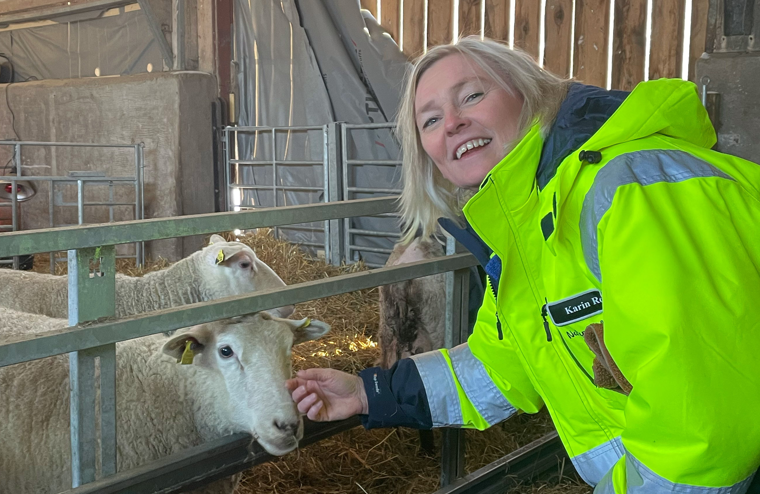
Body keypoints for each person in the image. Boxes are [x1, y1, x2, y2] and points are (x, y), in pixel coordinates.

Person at [286, 36, 760, 492]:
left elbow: (703, 434)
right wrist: (368, 394)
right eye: (429, 121)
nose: (451, 124)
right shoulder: (524, 235)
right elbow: (500, 367)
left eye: (472, 95)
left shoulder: (627, 190)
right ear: (427, 156)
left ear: (531, 92)